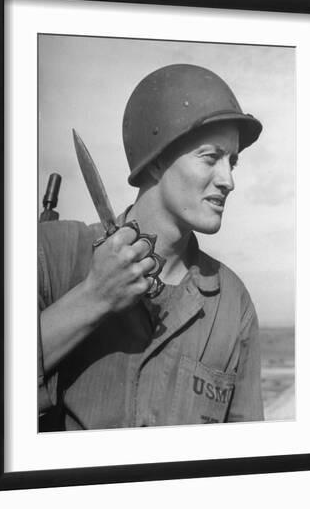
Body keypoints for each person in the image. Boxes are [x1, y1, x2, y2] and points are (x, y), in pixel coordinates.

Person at [38, 63, 264, 431]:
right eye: (211, 157)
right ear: (157, 161)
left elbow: (247, 454)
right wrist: (95, 296)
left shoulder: (233, 304)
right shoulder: (53, 253)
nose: (229, 181)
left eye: (232, 161)